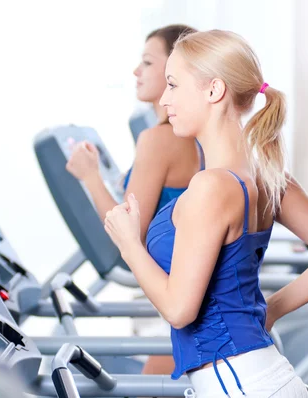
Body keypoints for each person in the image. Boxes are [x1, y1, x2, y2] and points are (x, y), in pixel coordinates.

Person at [103, 29, 308, 397]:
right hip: (258, 375)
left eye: (174, 85)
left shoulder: (212, 187)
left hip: (238, 384)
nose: (164, 98)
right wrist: (268, 311)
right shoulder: (266, 174)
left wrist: (130, 245)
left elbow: (179, 310)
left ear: (214, 91)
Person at [66, 24, 201, 376]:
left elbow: (129, 231)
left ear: (176, 69)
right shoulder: (193, 136)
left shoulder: (159, 139)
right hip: (184, 291)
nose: (136, 72)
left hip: (172, 299)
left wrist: (90, 176)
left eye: (147, 62)